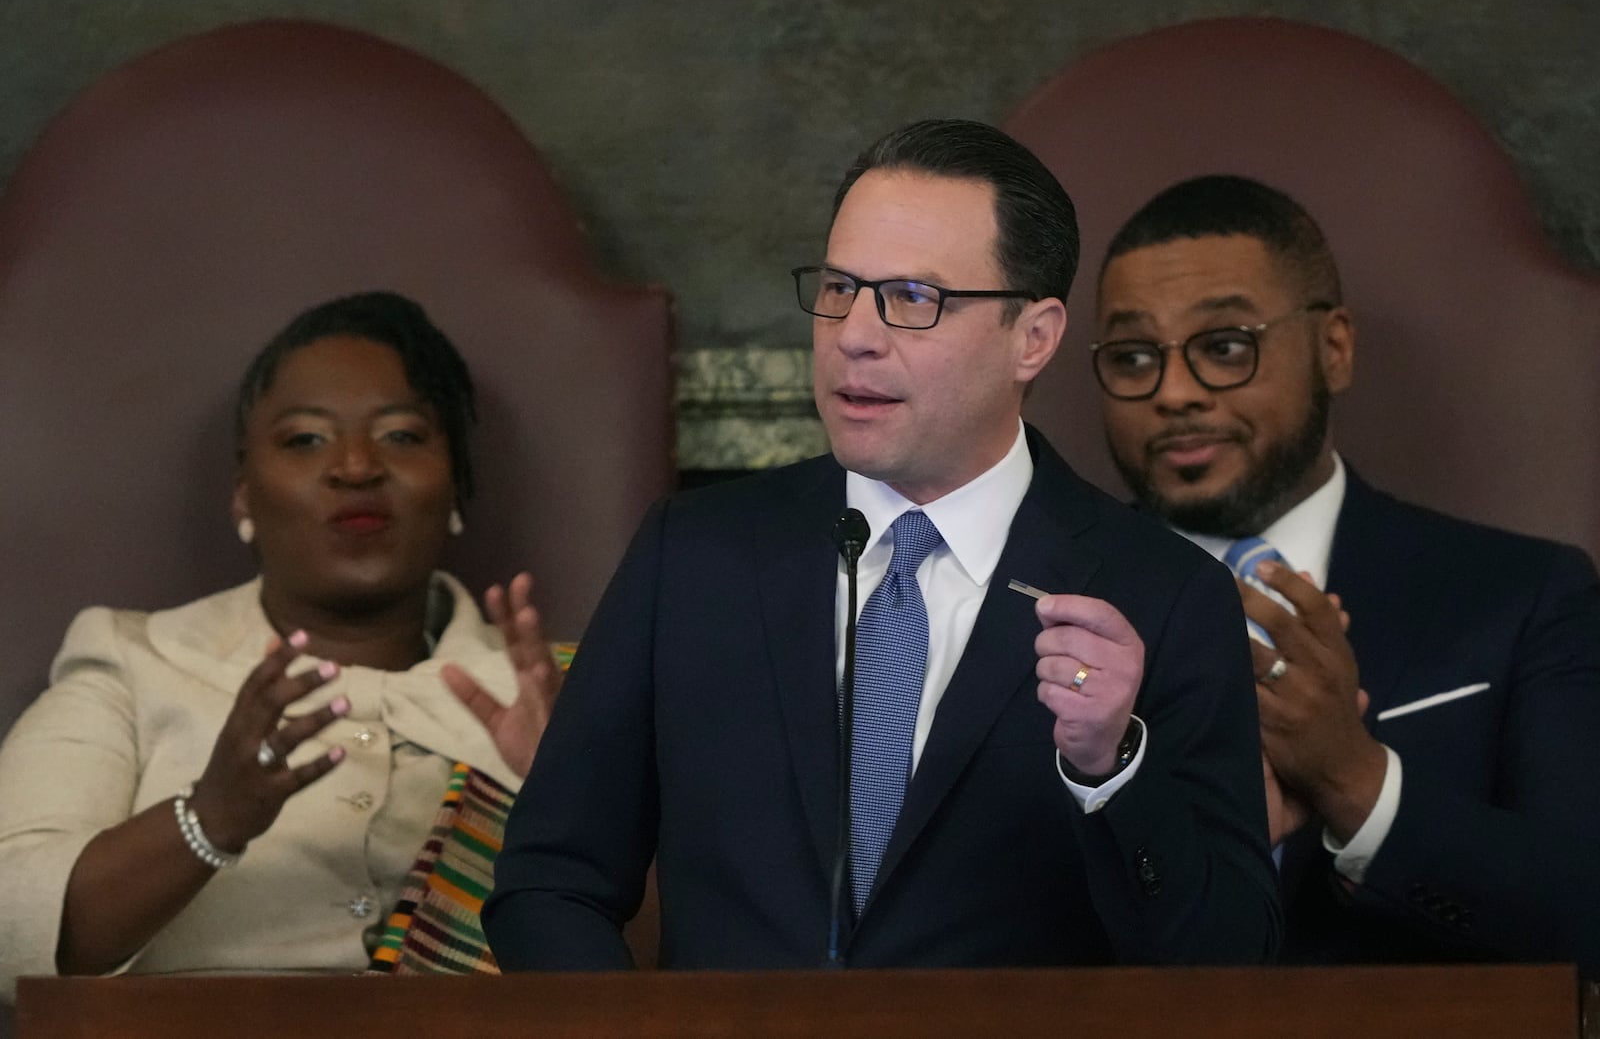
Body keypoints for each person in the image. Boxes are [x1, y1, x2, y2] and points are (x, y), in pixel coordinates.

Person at [483, 120, 1278, 970]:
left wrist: (1113, 767)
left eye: (911, 298)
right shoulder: (695, 556)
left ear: (1033, 337)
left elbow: (1229, 957)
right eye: (837, 289)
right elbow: (548, 880)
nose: (855, 334)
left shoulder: (1163, 595)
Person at [1090, 174, 1600, 970]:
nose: (1176, 392)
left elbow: (1585, 919)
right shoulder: (1041, 601)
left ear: (1333, 348)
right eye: (1132, 357)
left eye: (1225, 346)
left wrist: (1358, 782)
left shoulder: (1526, 598)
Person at [0, 291, 561, 995]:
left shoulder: (557, 698)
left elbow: (667, 965)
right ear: (242, 494)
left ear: (456, 489)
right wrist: (208, 819)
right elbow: (7, 929)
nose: (356, 466)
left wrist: (572, 797)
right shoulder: (129, 661)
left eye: (402, 435)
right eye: (305, 438)